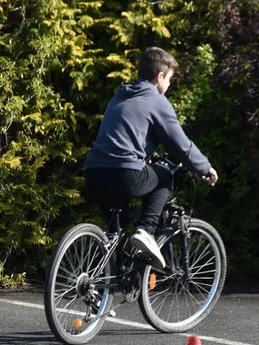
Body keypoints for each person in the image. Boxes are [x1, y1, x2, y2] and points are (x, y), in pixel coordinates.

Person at [84, 47, 218, 269]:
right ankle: (146, 230)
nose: (168, 86)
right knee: (165, 175)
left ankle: (105, 282)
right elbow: (181, 145)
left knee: (117, 229)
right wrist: (204, 167)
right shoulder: (156, 101)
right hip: (125, 173)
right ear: (160, 76)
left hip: (93, 172)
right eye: (170, 80)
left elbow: (125, 136)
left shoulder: (119, 96)